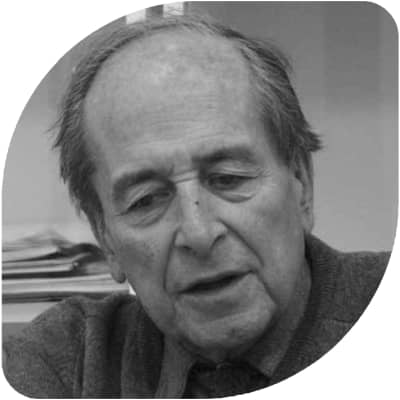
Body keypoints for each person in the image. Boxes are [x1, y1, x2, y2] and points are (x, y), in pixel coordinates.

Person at [3, 14, 389, 398]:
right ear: (105, 237)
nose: (199, 234)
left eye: (229, 178)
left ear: (301, 183)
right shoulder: (68, 362)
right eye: (145, 201)